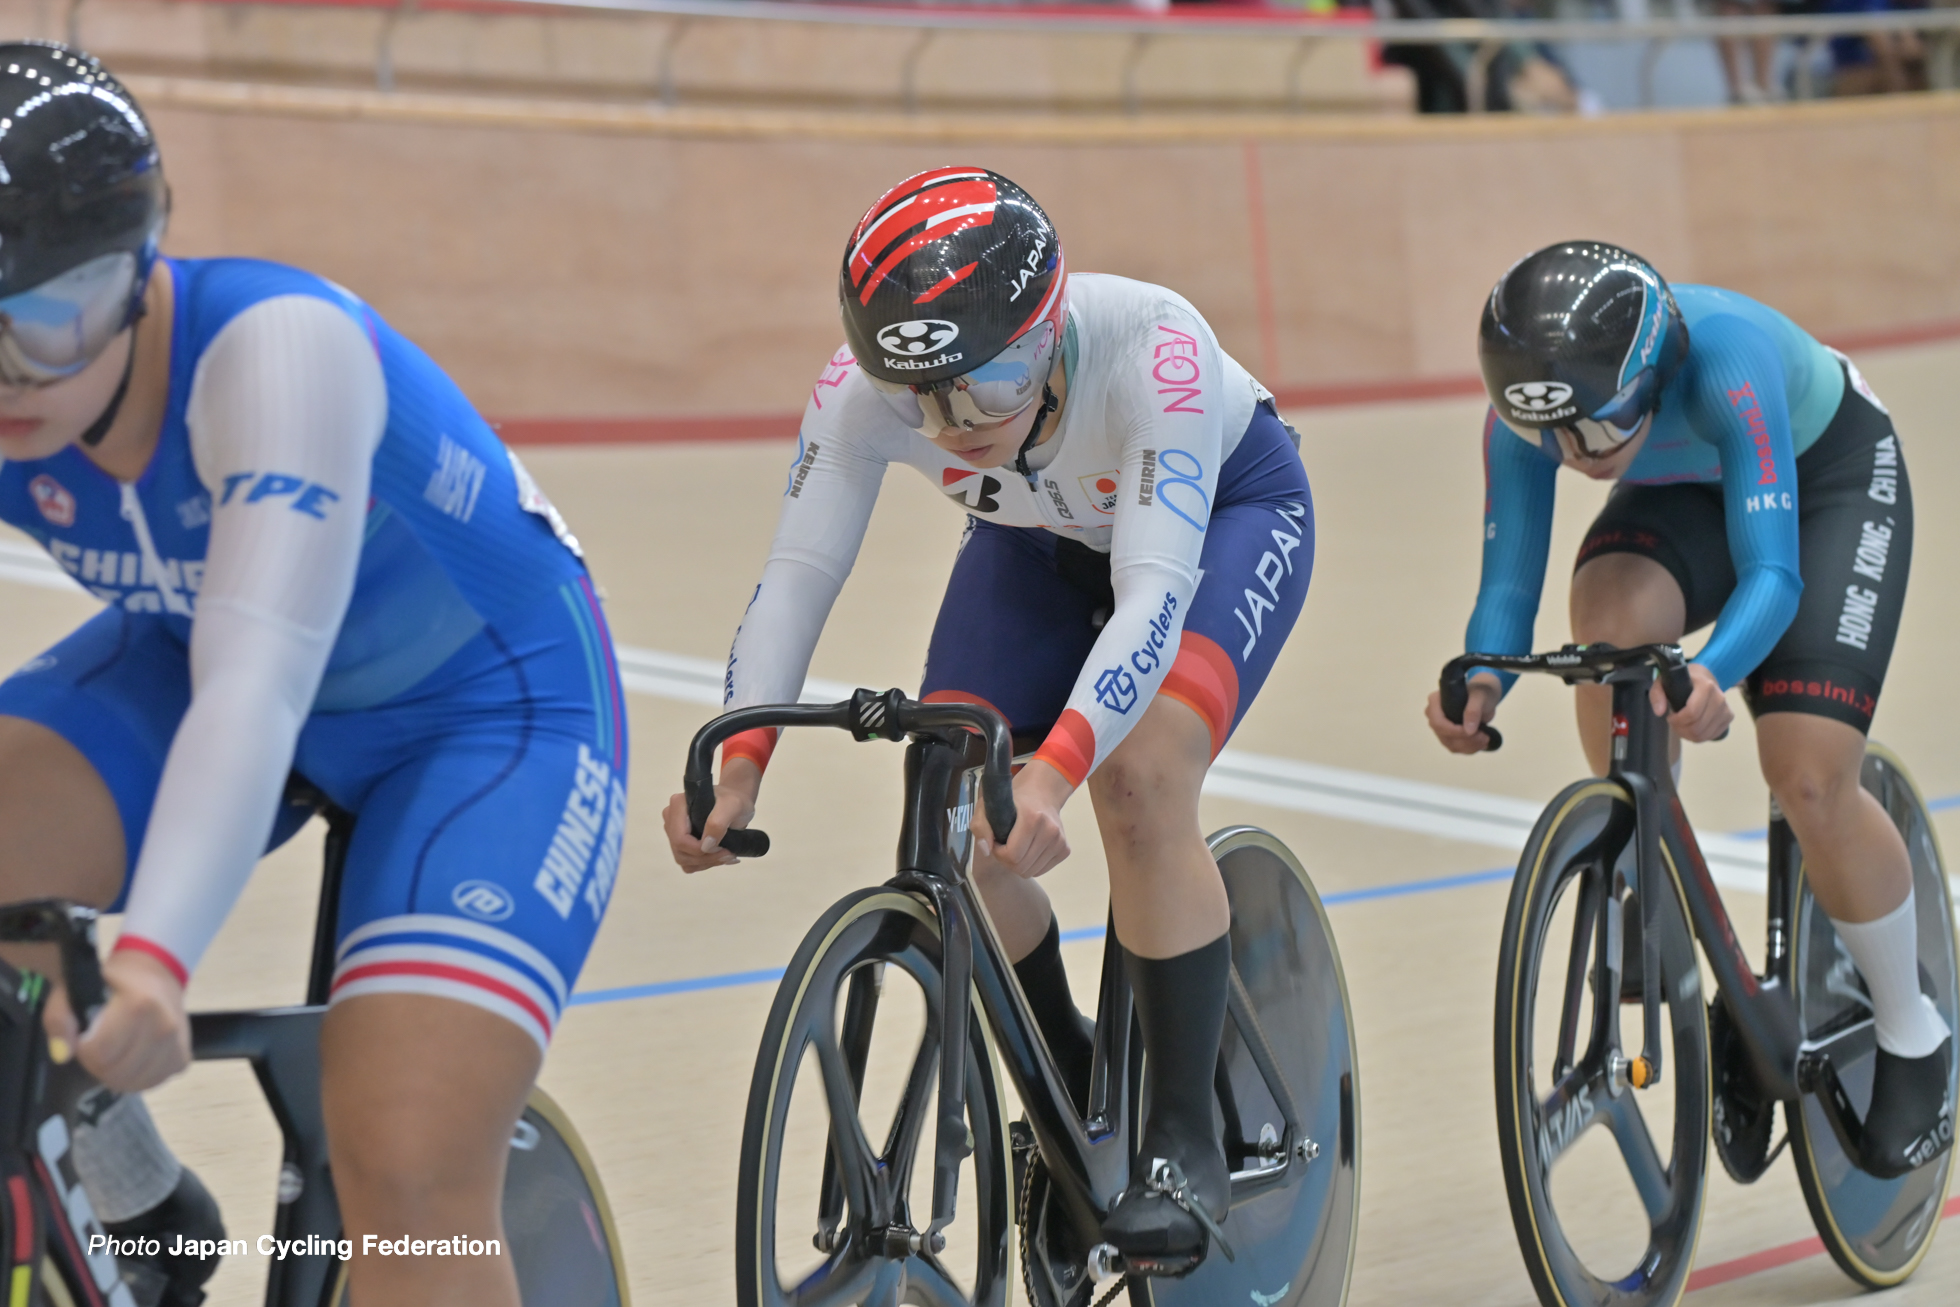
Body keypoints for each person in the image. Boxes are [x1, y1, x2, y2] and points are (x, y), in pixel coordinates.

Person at [0, 43, 626, 1307]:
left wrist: (159, 961)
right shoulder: (34, 368)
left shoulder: (279, 350)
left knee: (406, 1172)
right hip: (198, 639)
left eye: (48, 317)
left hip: (489, 707)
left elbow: (254, 693)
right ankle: (138, 1204)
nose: (12, 372)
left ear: (140, 276)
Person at [664, 167, 1314, 1272]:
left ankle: (1184, 1146)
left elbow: (1154, 595)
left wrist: (1058, 768)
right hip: (1033, 540)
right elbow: (798, 572)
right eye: (920, 400)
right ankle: (1066, 1087)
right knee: (956, 797)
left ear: (1049, 329)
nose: (956, 428)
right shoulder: (871, 391)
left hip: (1221, 517)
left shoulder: (1154, 344)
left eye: (991, 381)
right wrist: (738, 757)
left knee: (1139, 782)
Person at [1425, 240, 1951, 1179]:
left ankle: (1918, 1032)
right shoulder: (1538, 419)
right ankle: (1649, 872)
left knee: (1807, 774)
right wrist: (1482, 680)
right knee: (1610, 622)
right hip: (1683, 492)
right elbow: (1509, 589)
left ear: (1652, 380)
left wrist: (1713, 670)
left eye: (1595, 436)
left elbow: (1776, 577)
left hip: (1824, 480)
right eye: (1553, 438)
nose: (1572, 459)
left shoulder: (1724, 361)